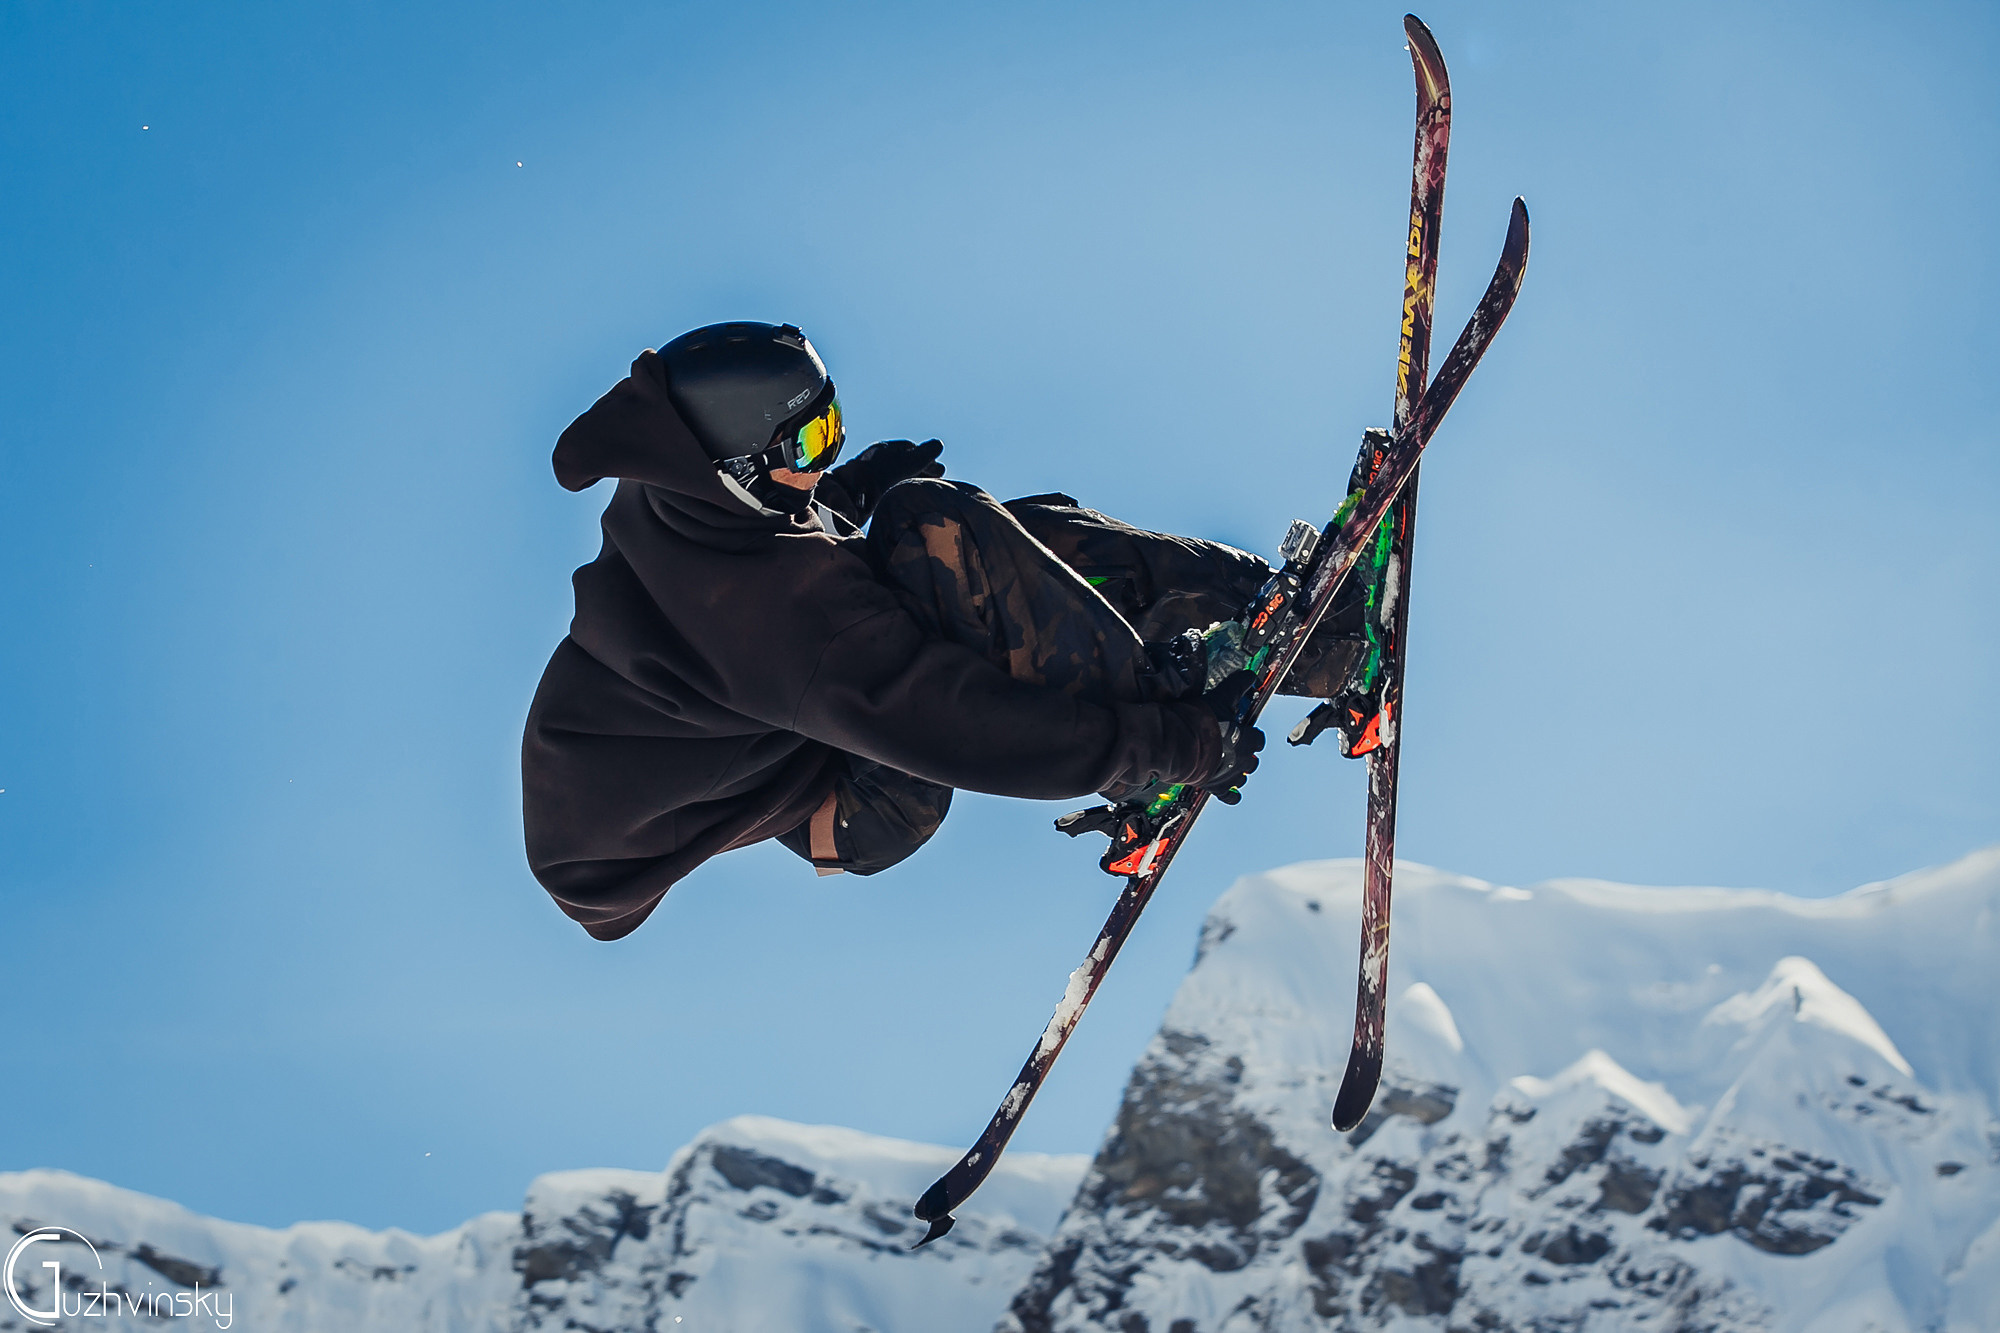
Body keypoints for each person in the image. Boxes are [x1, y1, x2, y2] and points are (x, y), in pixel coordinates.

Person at [521, 322, 1362, 941]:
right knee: (938, 529)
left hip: (789, 735)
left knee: (1027, 535)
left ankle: (1305, 616)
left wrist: (847, 488)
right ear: (733, 471)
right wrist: (1161, 747)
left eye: (831, 421)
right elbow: (955, 726)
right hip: (856, 807)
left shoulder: (680, 497)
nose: (825, 452)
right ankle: (1175, 713)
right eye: (809, 440)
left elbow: (770, 543)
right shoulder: (779, 623)